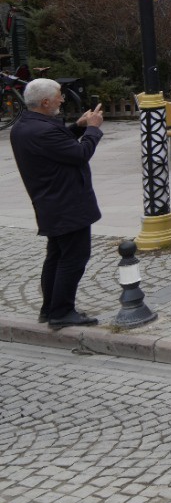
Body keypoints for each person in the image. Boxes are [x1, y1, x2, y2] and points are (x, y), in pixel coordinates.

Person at [12, 79, 104, 329]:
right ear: (44, 102)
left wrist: (79, 126)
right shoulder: (43, 130)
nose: (62, 100)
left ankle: (50, 308)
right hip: (66, 204)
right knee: (73, 258)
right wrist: (94, 130)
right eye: (59, 96)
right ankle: (62, 312)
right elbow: (79, 154)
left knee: (55, 256)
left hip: (51, 203)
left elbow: (58, 146)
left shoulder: (26, 126)